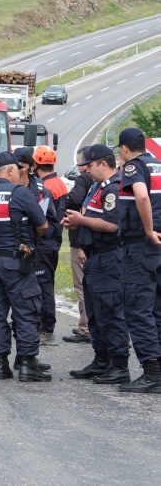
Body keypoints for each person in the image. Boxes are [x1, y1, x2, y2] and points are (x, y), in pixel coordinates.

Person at [0, 151, 50, 382]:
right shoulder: (19, 193)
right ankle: (26, 364)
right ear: (12, 170)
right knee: (26, 312)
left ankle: (1, 364)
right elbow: (43, 225)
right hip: (16, 263)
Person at [63, 144, 130, 385]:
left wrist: (82, 220)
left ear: (103, 163)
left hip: (109, 257)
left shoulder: (113, 189)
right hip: (94, 256)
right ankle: (101, 360)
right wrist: (79, 224)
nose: (87, 171)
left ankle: (119, 364)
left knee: (110, 311)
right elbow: (92, 218)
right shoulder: (96, 187)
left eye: (90, 166)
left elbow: (112, 225)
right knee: (95, 313)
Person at [114, 127, 161, 393]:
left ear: (123, 149)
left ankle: (152, 373)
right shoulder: (158, 165)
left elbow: (141, 195)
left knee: (139, 310)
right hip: (158, 249)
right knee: (157, 310)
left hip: (141, 248)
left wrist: (147, 230)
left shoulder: (134, 167)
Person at [33, 145, 67, 344]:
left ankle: (45, 327)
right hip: (53, 241)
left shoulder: (45, 187)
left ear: (36, 164)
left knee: (43, 285)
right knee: (46, 284)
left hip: (45, 242)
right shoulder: (59, 183)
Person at [63, 148, 95, 343]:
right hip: (99, 241)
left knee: (82, 284)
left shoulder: (83, 179)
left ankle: (86, 327)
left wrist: (67, 204)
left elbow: (74, 199)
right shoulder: (107, 182)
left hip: (81, 239)